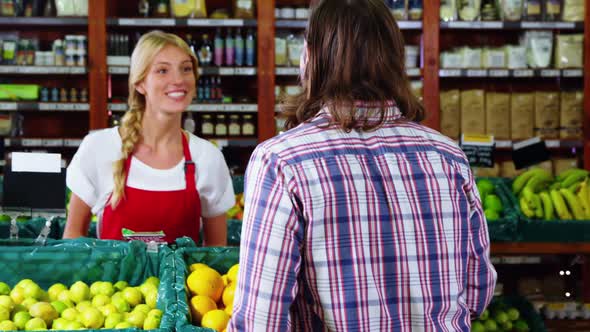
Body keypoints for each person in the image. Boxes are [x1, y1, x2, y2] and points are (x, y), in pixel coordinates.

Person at [228, 0, 497, 331]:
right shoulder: (448, 156)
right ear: (396, 60)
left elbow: (260, 321)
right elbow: (477, 293)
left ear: (309, 57)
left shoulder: (282, 161)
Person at [63, 30, 234, 245]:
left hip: (184, 280)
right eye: (162, 70)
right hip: (113, 280)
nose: (178, 80)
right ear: (139, 83)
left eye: (186, 69)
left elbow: (215, 252)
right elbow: (72, 240)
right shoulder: (100, 148)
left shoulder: (207, 157)